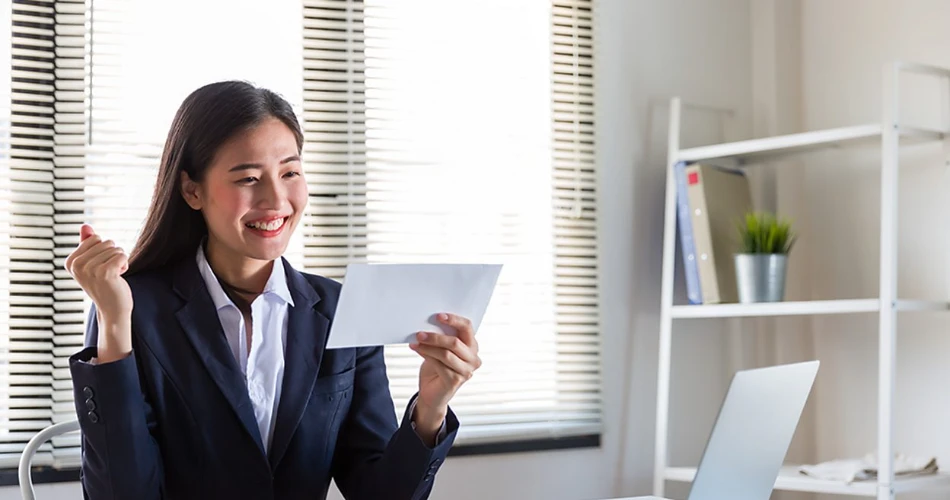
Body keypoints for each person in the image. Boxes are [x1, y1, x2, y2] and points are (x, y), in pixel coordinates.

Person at [64, 81, 482, 500]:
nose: (277, 199)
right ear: (192, 190)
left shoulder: (337, 310)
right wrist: (114, 324)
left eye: (290, 172)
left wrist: (430, 408)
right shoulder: (134, 309)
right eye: (248, 177)